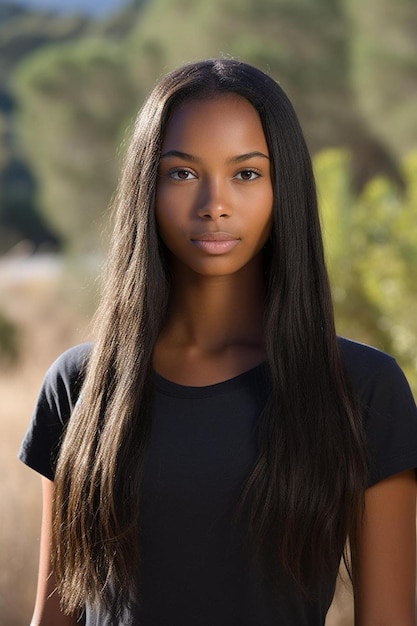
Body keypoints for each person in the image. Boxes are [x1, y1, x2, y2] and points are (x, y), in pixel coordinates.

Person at [19, 59, 417, 626]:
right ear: (146, 188)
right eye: (182, 173)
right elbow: (53, 616)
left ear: (287, 188)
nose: (214, 203)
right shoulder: (80, 385)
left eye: (247, 174)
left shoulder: (363, 389)